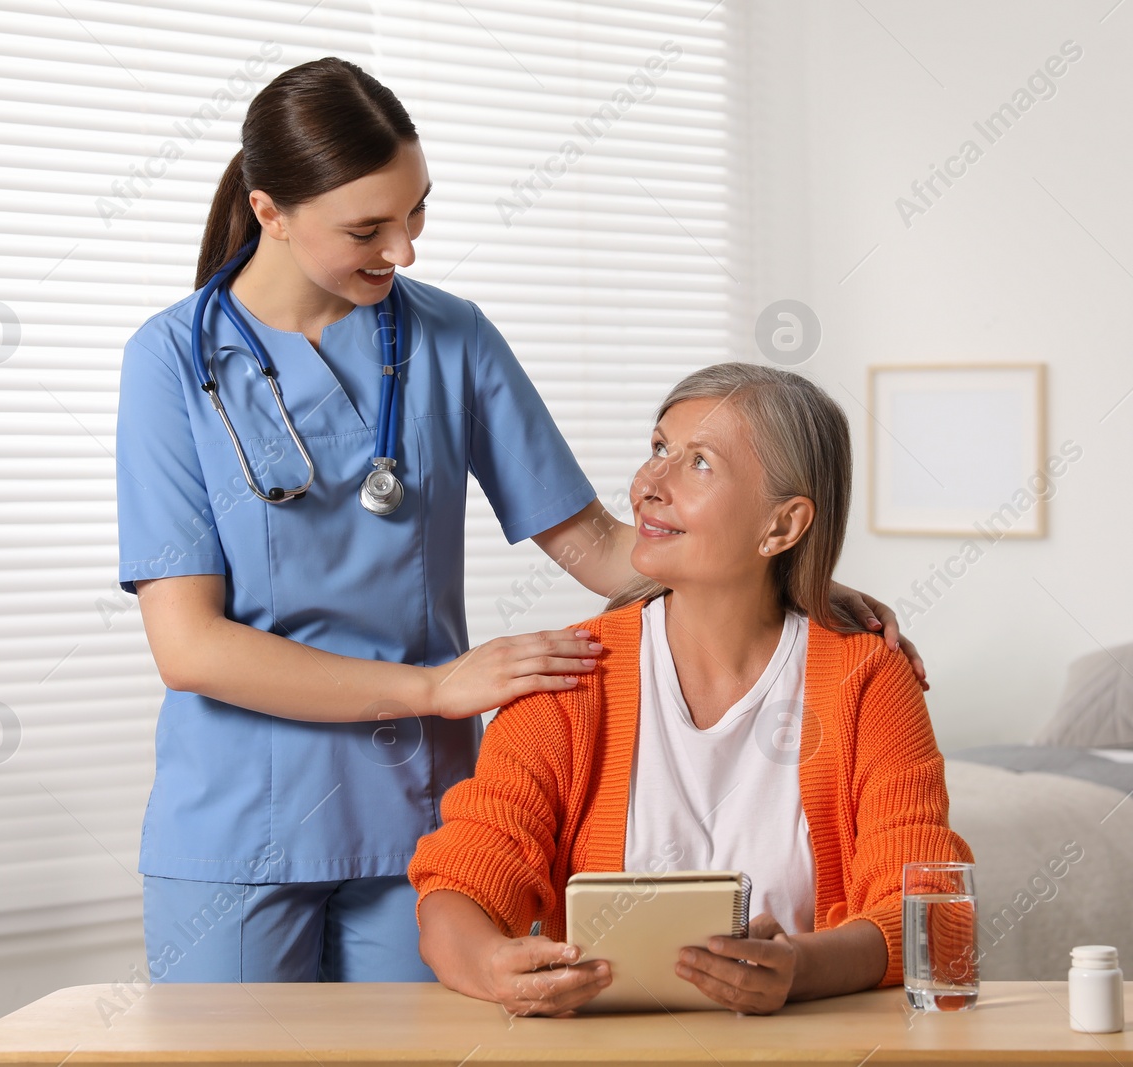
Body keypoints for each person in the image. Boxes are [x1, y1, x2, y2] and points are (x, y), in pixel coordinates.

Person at [116, 57, 919, 984]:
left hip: (412, 807)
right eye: (368, 229)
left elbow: (600, 547)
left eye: (417, 212)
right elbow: (190, 648)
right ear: (270, 212)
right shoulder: (173, 361)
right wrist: (434, 688)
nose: (404, 250)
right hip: (238, 820)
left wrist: (796, 584)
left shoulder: (449, 337)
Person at [409, 363, 973, 1015]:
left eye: (698, 463)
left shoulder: (865, 676)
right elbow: (460, 888)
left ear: (783, 527)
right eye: (658, 449)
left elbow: (935, 918)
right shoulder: (566, 676)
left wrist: (799, 968)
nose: (649, 484)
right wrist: (489, 964)